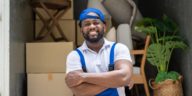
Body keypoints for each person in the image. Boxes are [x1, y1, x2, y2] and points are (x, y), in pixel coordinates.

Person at [65, 8, 133, 96]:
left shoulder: (119, 48)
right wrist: (117, 81)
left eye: (96, 22)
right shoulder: (74, 56)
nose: (92, 26)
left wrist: (83, 77)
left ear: (104, 27)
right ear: (81, 30)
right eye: (87, 24)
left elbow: (124, 76)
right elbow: (79, 91)